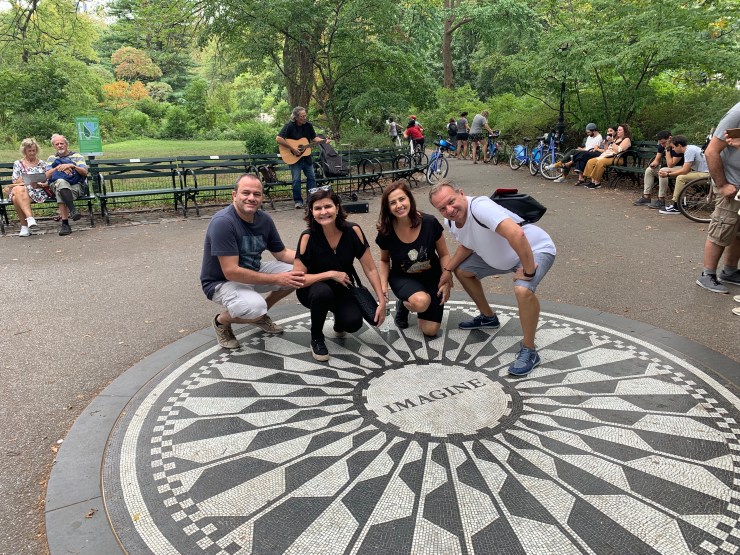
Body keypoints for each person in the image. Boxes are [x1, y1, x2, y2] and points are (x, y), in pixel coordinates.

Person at [430, 182, 557, 376]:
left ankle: (529, 350)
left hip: (534, 250)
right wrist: (448, 270)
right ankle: (488, 317)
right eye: (442, 208)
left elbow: (516, 233)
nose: (449, 210)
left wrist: (529, 271)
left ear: (461, 193)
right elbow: (468, 244)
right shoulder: (451, 222)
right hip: (501, 258)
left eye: (451, 201)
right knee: (462, 271)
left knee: (523, 289)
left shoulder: (480, 207)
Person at [200, 174, 305, 349]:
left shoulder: (264, 219)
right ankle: (221, 322)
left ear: (262, 197)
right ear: (234, 195)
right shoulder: (223, 222)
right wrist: (277, 279)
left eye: (256, 194)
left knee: (299, 273)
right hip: (221, 282)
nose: (251, 198)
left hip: (253, 271)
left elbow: (282, 253)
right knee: (254, 308)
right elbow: (231, 272)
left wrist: (312, 259)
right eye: (246, 193)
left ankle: (260, 316)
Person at [293, 187, 386, 361]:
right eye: (318, 208)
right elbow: (298, 279)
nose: (323, 212)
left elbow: (370, 268)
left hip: (343, 288)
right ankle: (316, 338)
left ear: (337, 207)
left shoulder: (353, 231)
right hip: (312, 290)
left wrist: (381, 301)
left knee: (352, 323)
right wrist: (330, 274)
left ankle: (339, 319)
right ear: (311, 212)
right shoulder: (307, 237)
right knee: (322, 292)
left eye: (328, 206)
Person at [376, 181, 452, 336]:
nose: (399, 205)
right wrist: (383, 285)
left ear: (409, 199)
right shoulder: (387, 230)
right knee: (421, 302)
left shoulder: (429, 222)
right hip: (403, 277)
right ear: (387, 207)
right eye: (393, 203)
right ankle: (406, 304)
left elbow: (444, 254)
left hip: (432, 277)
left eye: (402, 199)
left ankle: (411, 303)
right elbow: (384, 260)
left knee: (430, 331)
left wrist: (447, 278)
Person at [695, 102, 740, 294]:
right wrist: (722, 185)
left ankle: (730, 271)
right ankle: (707, 274)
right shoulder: (737, 113)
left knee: (737, 232)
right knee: (722, 228)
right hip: (732, 184)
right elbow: (711, 151)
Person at [276, 106, 329, 209]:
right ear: (296, 117)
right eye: (302, 116)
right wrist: (292, 148)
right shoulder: (289, 126)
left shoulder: (308, 125)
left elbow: (314, 138)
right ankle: (298, 201)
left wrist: (323, 141)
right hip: (294, 158)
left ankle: (311, 200)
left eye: (305, 115)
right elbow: (278, 138)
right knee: (296, 180)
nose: (304, 118)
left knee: (312, 178)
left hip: (306, 158)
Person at [44, 134, 88, 236]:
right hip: (56, 184)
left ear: (66, 144)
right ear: (54, 146)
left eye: (62, 143)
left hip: (76, 185)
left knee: (60, 190)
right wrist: (58, 167)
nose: (60, 146)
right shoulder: (51, 158)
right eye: (57, 144)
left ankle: (65, 224)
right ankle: (73, 210)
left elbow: (85, 172)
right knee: (61, 182)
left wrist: (72, 166)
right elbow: (46, 176)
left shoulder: (77, 156)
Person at [5, 138, 49, 237]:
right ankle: (30, 219)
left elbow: (47, 179)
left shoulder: (42, 163)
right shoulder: (18, 163)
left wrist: (40, 183)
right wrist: (27, 177)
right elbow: (15, 181)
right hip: (22, 189)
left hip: (38, 190)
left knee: (16, 198)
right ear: (24, 151)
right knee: (18, 190)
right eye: (29, 151)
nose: (32, 153)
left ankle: (24, 227)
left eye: (34, 150)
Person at [657, 135, 710, 215]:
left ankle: (677, 206)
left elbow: (685, 170)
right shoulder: (690, 148)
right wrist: (669, 173)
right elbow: (687, 169)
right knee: (681, 176)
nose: (673, 149)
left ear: (679, 145)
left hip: (707, 175)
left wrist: (668, 174)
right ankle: (681, 203)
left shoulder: (689, 151)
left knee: (681, 178)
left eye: (673, 147)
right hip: (703, 172)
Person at [633, 130, 683, 209]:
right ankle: (646, 197)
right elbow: (657, 160)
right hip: (668, 168)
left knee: (663, 171)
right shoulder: (661, 146)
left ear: (670, 138)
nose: (662, 145)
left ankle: (661, 199)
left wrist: (667, 149)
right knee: (649, 170)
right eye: (660, 143)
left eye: (664, 143)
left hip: (681, 168)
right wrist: (653, 164)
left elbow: (670, 164)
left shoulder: (677, 146)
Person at [582, 123, 632, 189]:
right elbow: (606, 150)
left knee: (601, 162)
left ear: (625, 131)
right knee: (591, 161)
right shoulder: (616, 139)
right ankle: (593, 181)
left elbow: (619, 151)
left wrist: (612, 142)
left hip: (618, 158)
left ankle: (597, 183)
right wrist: (605, 143)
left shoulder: (626, 140)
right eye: (617, 130)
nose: (618, 131)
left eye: (620, 130)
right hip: (608, 156)